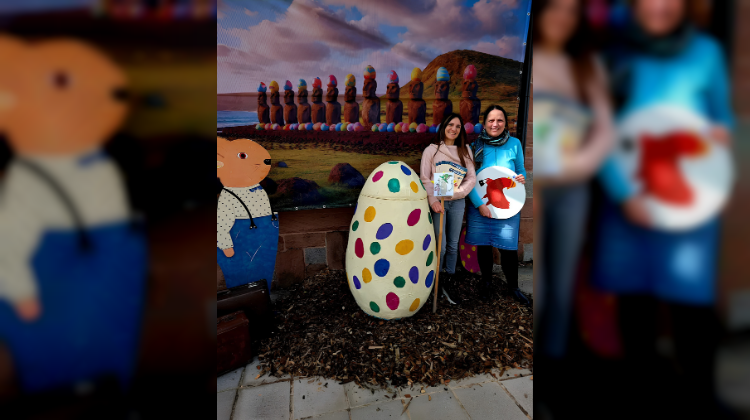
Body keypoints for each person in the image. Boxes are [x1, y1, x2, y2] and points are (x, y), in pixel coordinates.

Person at [593, 0, 733, 416]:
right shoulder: (614, 57)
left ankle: (703, 399)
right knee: (636, 309)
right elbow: (600, 132)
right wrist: (624, 193)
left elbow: (723, 116)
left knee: (693, 310)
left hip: (689, 201)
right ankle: (646, 399)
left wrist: (722, 139)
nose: (661, 6)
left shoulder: (706, 53)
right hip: (631, 204)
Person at [532, 0, 615, 362]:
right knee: (540, 287)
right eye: (556, 8)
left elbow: (605, 131)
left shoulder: (586, 66)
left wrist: (576, 166)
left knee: (563, 286)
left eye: (571, 11)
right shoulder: (531, 61)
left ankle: (554, 355)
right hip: (536, 188)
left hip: (572, 190)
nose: (562, 18)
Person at [465, 105, 529, 305]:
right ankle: (486, 283)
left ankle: (514, 288)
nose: (495, 124)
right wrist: (479, 205)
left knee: (508, 249)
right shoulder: (475, 146)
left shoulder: (514, 144)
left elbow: (520, 170)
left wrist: (522, 178)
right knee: (483, 246)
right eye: (491, 120)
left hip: (507, 205)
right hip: (480, 204)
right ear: (484, 123)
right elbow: (470, 178)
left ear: (505, 123)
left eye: (500, 120)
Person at [420, 113, 476, 305]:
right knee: (440, 246)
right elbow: (425, 178)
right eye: (450, 125)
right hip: (439, 204)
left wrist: (459, 192)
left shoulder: (465, 150)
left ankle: (449, 281)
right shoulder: (432, 150)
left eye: (458, 126)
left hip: (457, 202)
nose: (454, 129)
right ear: (444, 126)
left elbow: (471, 178)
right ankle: (434, 281)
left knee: (453, 244)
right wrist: (432, 201)